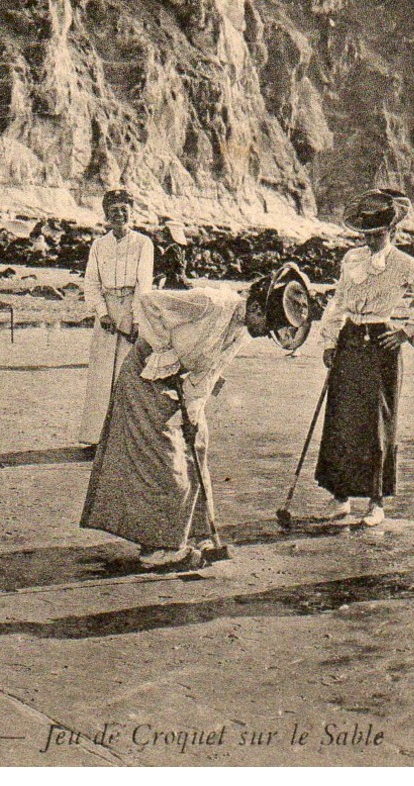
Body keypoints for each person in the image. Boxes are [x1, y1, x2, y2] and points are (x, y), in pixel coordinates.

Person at [80, 265, 309, 568]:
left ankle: (194, 533)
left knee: (197, 447)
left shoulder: (240, 333)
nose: (264, 335)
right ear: (255, 306)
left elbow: (208, 374)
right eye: (265, 326)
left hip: (176, 388)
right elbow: (149, 302)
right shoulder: (210, 303)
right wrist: (165, 354)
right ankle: (157, 549)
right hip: (145, 378)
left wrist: (193, 413)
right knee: (166, 465)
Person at [314, 190, 414, 527]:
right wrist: (329, 341)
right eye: (367, 234)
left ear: (392, 232)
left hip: (380, 347)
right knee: (341, 419)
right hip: (350, 341)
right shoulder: (351, 260)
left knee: (377, 423)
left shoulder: (404, 264)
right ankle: (340, 497)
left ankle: (375, 503)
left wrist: (405, 331)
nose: (371, 241)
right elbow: (339, 301)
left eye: (378, 234)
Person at [77, 189, 155, 447]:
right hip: (107, 313)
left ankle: (126, 438)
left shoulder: (144, 243)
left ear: (131, 212)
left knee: (128, 372)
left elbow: (144, 284)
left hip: (132, 310)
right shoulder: (99, 246)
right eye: (113, 211)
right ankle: (97, 437)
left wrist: (136, 320)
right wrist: (102, 313)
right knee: (101, 375)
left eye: (123, 209)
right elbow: (90, 284)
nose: (119, 215)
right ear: (106, 215)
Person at [154, 217, 192, 290]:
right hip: (175, 281)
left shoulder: (173, 249)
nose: (162, 233)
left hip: (174, 283)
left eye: (165, 232)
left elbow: (173, 270)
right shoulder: (176, 248)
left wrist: (157, 278)